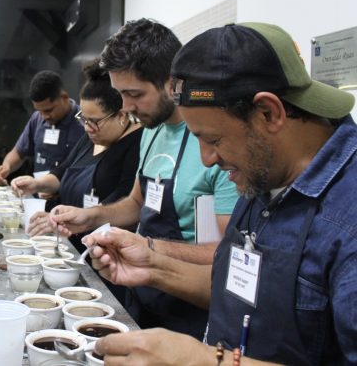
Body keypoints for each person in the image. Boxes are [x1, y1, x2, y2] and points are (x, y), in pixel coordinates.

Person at [87, 22, 357, 365]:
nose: (207, 160)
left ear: (268, 113)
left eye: (213, 140)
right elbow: (237, 289)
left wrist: (200, 361)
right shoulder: (262, 172)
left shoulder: (348, 220)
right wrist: (153, 268)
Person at [46, 19, 238, 338]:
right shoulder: (153, 130)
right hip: (141, 295)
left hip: (189, 314)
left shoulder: (214, 144)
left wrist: (148, 247)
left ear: (172, 83)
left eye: (134, 94)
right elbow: (136, 204)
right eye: (121, 94)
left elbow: (221, 254)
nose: (126, 107)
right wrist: (90, 217)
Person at [12, 59, 142, 234]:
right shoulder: (92, 137)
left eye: (95, 121)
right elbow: (63, 171)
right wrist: (37, 184)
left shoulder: (136, 144)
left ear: (121, 116)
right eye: (84, 119)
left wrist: (85, 216)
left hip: (100, 243)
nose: (88, 128)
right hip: (70, 236)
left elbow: (126, 200)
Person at [0, 70, 85, 186]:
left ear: (64, 97)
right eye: (39, 111)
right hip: (38, 195)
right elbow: (19, 151)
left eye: (49, 110)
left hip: (70, 198)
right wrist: (6, 167)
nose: (44, 116)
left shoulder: (86, 122)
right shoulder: (37, 119)